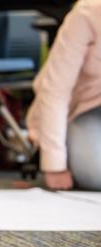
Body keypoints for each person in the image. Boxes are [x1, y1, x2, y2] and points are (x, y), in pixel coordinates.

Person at [26, 0, 101, 191]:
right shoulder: (87, 13)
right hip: (82, 109)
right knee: (94, 174)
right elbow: (55, 91)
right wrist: (54, 165)